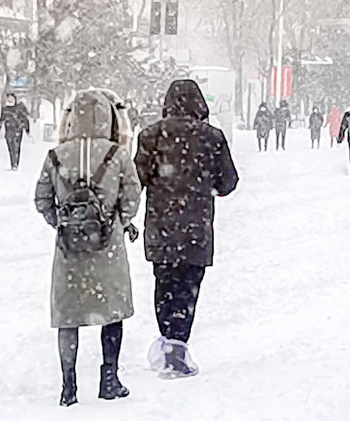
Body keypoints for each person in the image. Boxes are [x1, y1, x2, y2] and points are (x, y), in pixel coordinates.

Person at [34, 89, 142, 406]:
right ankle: (109, 379)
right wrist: (118, 222)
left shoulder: (55, 156)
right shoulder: (118, 155)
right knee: (112, 311)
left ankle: (69, 386)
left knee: (68, 316)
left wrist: (63, 224)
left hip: (69, 250)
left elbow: (41, 198)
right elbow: (132, 196)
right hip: (108, 246)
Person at [134, 80, 239, 378]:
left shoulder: (151, 136)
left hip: (161, 228)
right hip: (196, 231)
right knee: (187, 289)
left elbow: (136, 179)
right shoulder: (212, 137)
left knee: (164, 286)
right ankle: (178, 344)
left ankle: (168, 340)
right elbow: (228, 183)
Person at [0, 93, 30, 170]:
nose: (10, 100)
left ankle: (15, 164)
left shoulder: (19, 108)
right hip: (8, 130)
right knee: (10, 147)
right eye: (9, 98)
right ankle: (12, 163)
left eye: (11, 98)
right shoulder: (5, 109)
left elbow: (25, 118)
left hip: (18, 129)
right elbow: (1, 119)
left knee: (16, 147)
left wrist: (27, 129)